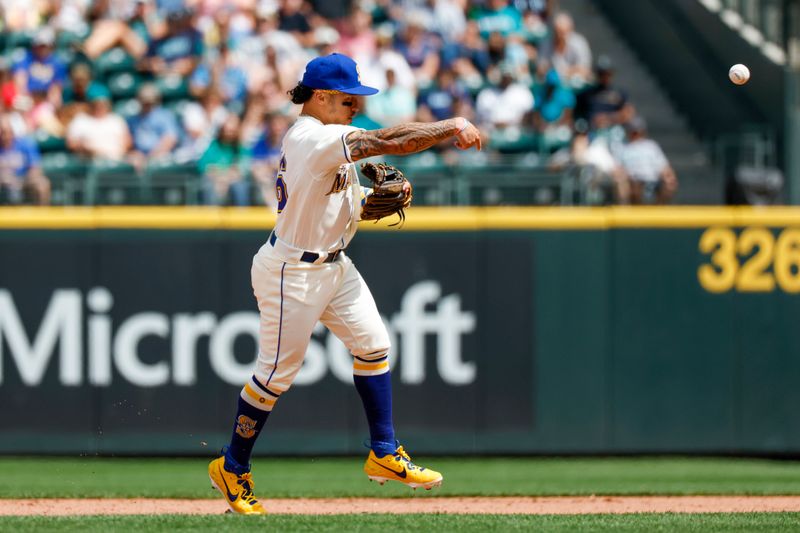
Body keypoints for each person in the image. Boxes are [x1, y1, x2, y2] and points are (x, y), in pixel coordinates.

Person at [208, 52, 482, 515]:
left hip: (333, 265)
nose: (356, 103)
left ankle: (384, 452)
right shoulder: (313, 137)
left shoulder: (326, 140)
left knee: (374, 346)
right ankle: (232, 467)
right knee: (275, 378)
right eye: (348, 97)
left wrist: (375, 198)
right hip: (291, 272)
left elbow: (343, 201)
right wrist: (450, 125)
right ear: (321, 97)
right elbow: (387, 141)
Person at [617, 116, 677, 204]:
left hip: (653, 181)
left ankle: (659, 213)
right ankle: (626, 213)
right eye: (633, 132)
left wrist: (669, 176)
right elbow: (618, 169)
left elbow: (664, 167)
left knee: (669, 183)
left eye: (637, 132)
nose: (636, 135)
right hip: (633, 181)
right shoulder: (623, 148)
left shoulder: (652, 146)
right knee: (626, 184)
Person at [0, 114, 50, 205]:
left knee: (42, 184)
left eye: (4, 132)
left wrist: (23, 179)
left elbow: (35, 168)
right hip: (3, 180)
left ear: (12, 131)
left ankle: (42, 217)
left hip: (23, 179)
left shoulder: (25, 144)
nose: (3, 136)